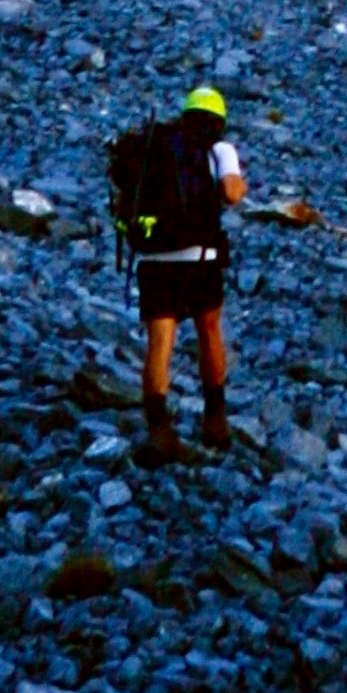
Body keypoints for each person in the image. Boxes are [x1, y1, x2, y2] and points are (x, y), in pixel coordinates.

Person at [138, 84, 246, 465]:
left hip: (153, 257)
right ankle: (215, 419)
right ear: (218, 120)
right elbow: (232, 193)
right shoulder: (219, 148)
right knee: (209, 330)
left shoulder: (155, 145)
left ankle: (158, 430)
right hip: (200, 256)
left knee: (159, 342)